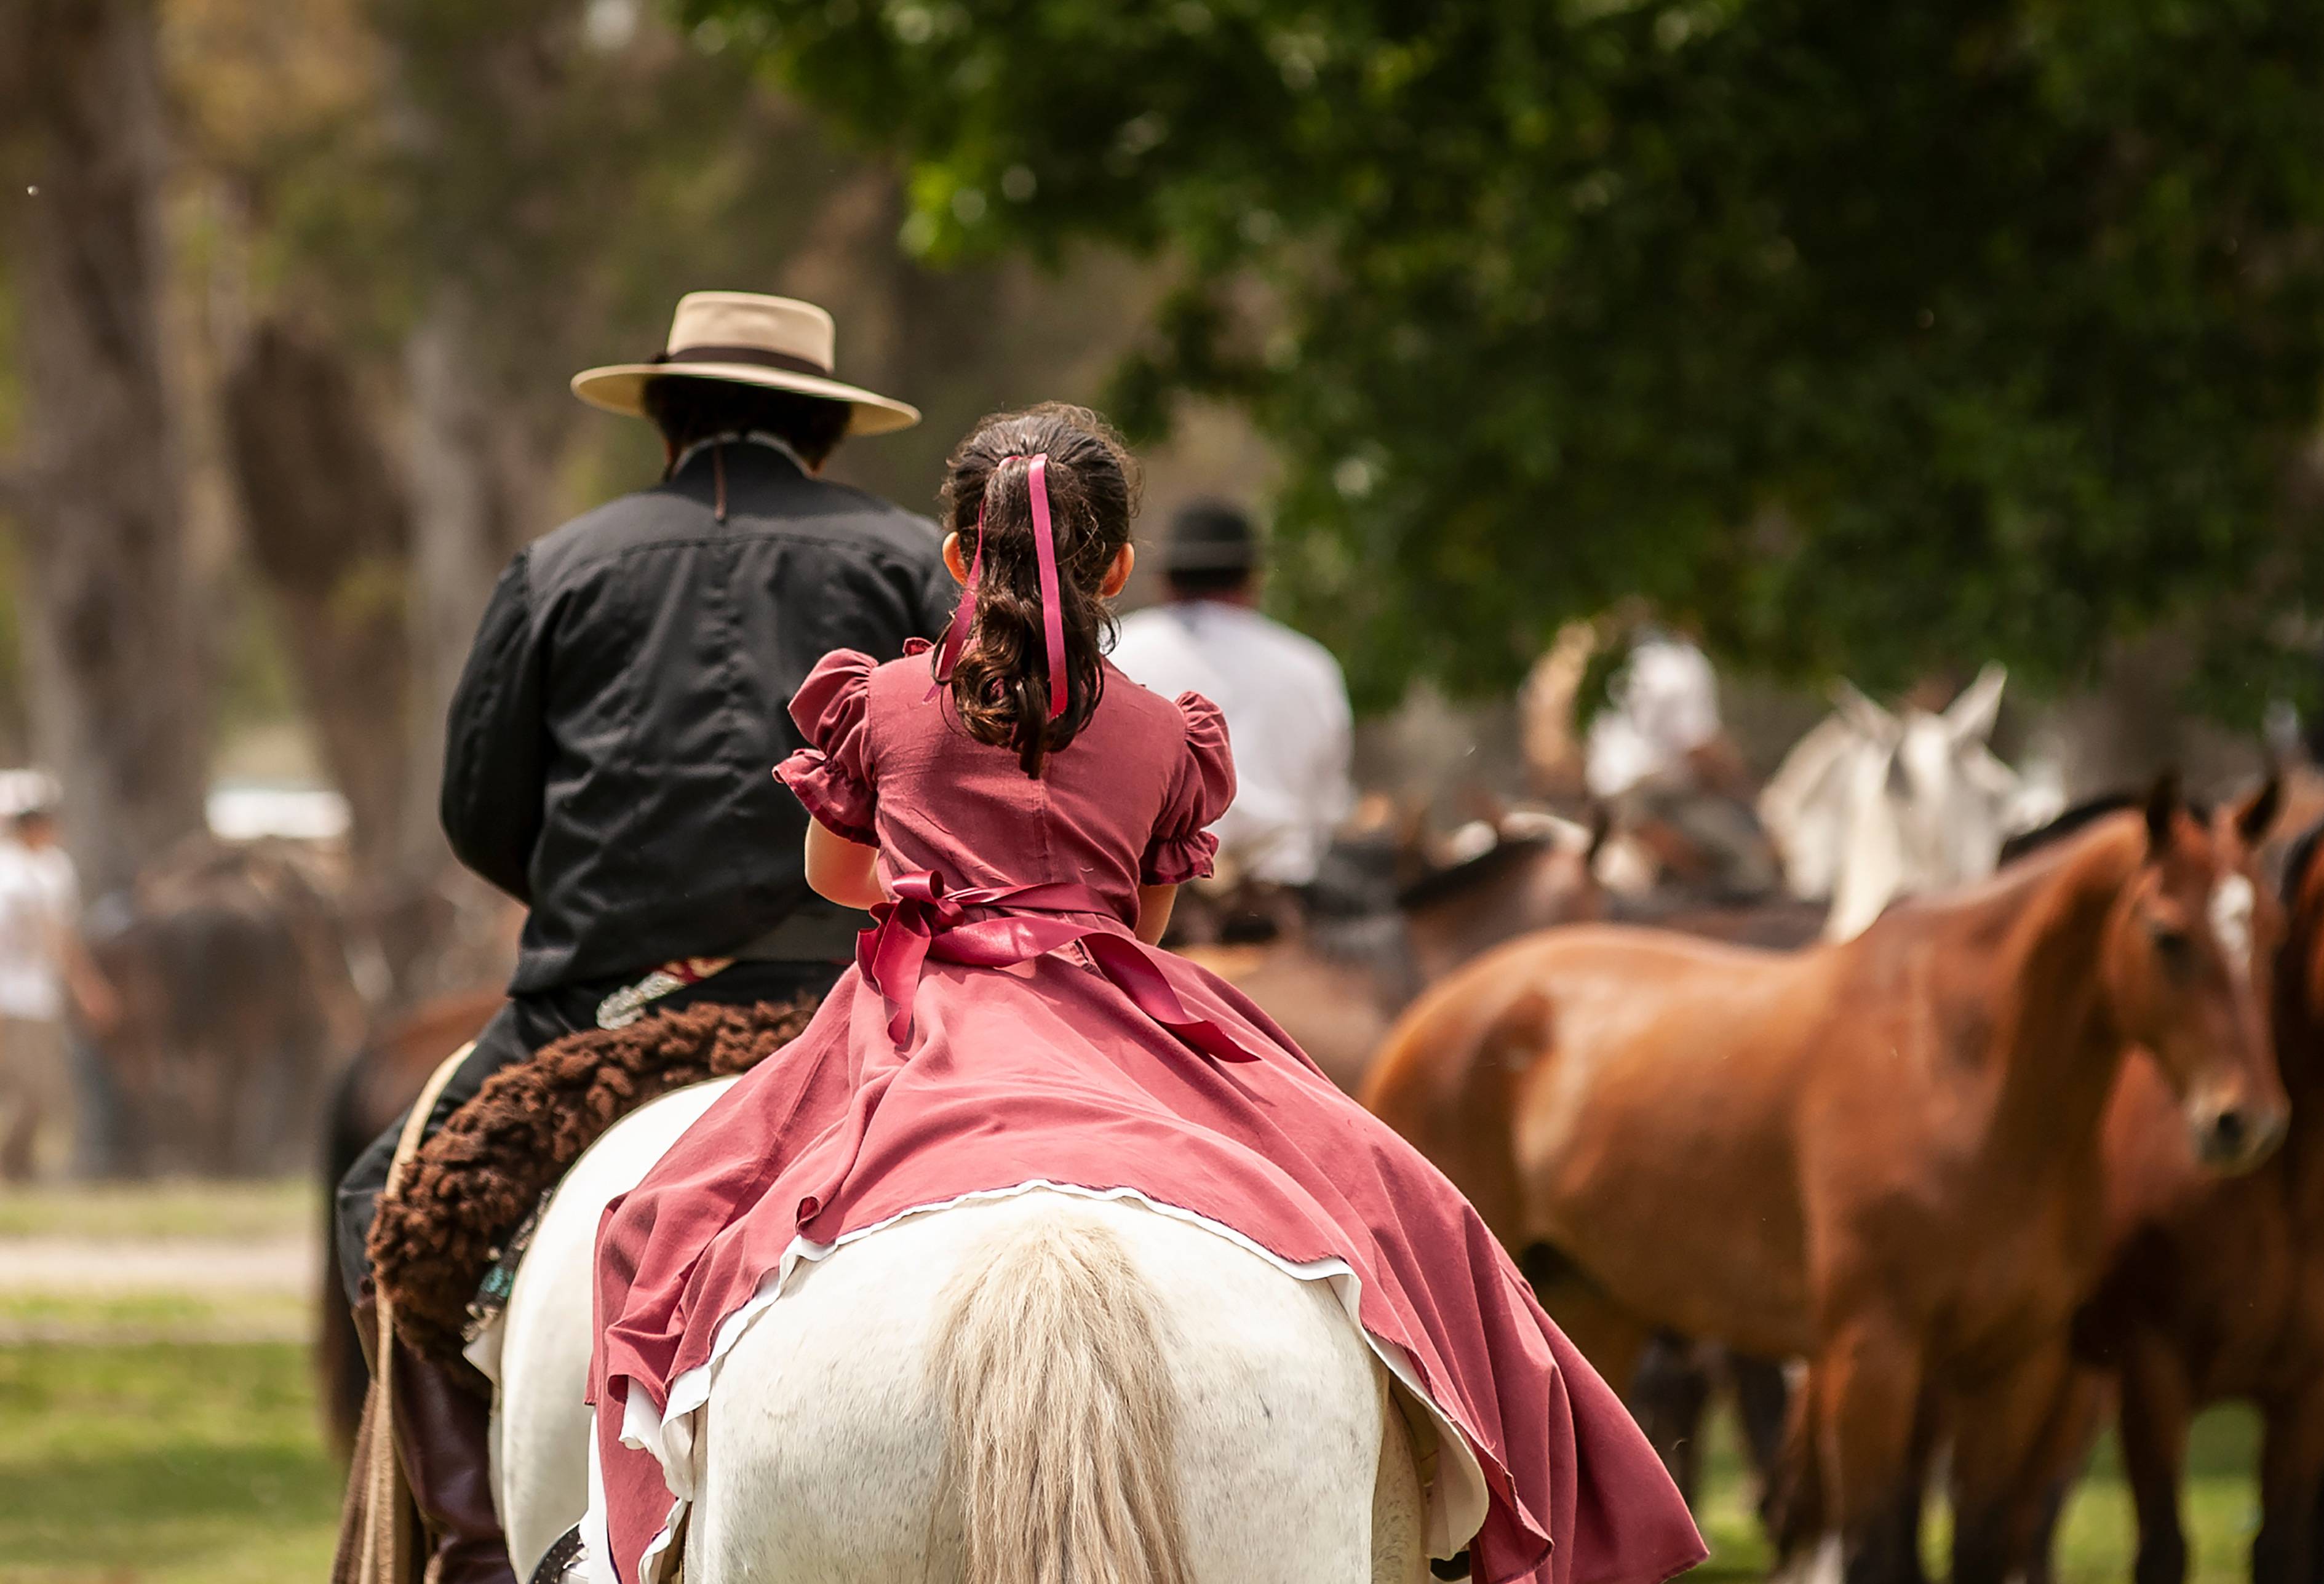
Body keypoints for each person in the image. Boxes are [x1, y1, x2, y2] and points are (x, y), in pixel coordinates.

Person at [583, 405, 1704, 1584]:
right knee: (1413, 1217)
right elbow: (1144, 918)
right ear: (1116, 565)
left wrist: (934, 877)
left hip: (921, 1017)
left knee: (657, 1226)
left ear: (960, 556)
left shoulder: (884, 702)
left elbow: (836, 877)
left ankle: (616, 1551)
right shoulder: (1167, 734)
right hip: (1115, 1007)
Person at [334, 292, 952, 1584]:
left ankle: (475, 1553)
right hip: (864, 1000)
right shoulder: (909, 560)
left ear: (663, 418)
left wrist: (608, 907)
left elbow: (479, 810)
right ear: (825, 435)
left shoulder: (559, 565)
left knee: (385, 1203)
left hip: (607, 1010)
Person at [1108, 500, 1353, 890]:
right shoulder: (1308, 666)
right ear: (1251, 580)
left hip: (1147, 901)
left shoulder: (1113, 652)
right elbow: (1327, 808)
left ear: (1167, 581)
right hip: (1283, 900)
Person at [0, 795, 111, 1181]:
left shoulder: (54, 869)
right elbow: (51, 937)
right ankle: (13, 1166)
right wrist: (86, 987)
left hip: (41, 997)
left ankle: (18, 1168)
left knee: (43, 1091)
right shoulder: (12, 875)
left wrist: (84, 986)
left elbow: (63, 937)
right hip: (12, 998)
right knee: (28, 1089)